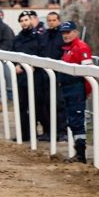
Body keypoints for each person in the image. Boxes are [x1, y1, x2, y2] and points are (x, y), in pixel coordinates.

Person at [59, 21, 93, 163]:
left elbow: (89, 72)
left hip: (76, 88)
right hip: (68, 88)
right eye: (63, 33)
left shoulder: (81, 47)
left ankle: (81, 155)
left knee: (77, 121)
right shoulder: (68, 48)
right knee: (72, 121)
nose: (65, 35)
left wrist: (87, 90)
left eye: (68, 32)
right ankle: (78, 153)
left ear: (75, 32)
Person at [38, 11, 66, 142]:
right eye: (49, 20)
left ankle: (62, 131)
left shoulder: (63, 36)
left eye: (54, 20)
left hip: (59, 74)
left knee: (59, 104)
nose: (51, 22)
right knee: (45, 104)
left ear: (59, 21)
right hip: (44, 75)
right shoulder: (44, 36)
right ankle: (48, 131)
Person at [12, 11, 41, 141]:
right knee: (22, 107)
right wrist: (15, 65)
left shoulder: (39, 37)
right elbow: (11, 54)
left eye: (26, 20)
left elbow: (42, 54)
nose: (24, 23)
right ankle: (24, 135)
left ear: (31, 20)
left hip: (36, 78)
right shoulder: (17, 39)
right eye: (22, 21)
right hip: (21, 78)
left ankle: (38, 133)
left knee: (37, 106)